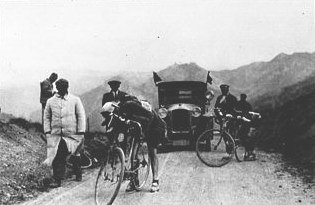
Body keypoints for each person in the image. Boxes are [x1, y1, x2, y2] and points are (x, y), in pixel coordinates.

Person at [118, 95, 166, 193]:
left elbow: (151, 117)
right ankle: (134, 180)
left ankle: (155, 181)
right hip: (140, 125)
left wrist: (144, 134)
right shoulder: (123, 108)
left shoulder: (135, 106)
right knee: (133, 154)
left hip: (155, 127)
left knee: (152, 151)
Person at [43, 78, 86, 188]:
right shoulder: (50, 101)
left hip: (72, 133)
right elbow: (47, 117)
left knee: (75, 154)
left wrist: (81, 131)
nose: (62, 89)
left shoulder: (75, 100)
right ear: (57, 88)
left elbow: (81, 115)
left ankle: (78, 172)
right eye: (60, 88)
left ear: (67, 87)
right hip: (56, 134)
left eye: (64, 87)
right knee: (58, 156)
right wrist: (47, 130)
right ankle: (57, 179)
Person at [236, 94, 258, 161]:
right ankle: (249, 153)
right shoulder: (247, 104)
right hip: (244, 123)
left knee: (244, 138)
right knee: (245, 138)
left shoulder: (239, 104)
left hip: (243, 123)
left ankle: (249, 153)